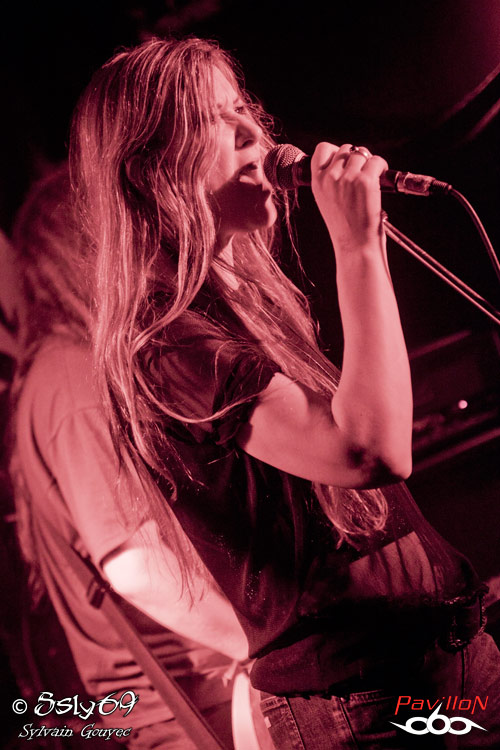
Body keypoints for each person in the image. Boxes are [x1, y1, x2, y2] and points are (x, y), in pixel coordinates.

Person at [64, 36, 500, 749]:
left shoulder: (251, 310)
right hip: (366, 706)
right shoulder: (166, 345)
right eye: (216, 118)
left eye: (246, 110)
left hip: (455, 661)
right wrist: (357, 246)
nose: (254, 133)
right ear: (150, 169)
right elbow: (370, 451)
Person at [9, 163, 258, 750]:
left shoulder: (75, 369)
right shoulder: (73, 378)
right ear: (91, 248)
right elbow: (136, 564)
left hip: (211, 698)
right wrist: (271, 649)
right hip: (197, 714)